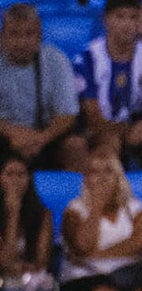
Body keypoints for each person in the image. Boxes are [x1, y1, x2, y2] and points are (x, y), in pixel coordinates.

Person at [60, 151, 142, 291]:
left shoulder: (134, 206)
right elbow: (82, 246)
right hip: (84, 279)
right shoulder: (74, 210)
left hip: (129, 276)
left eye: (108, 171)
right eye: (94, 172)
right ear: (86, 178)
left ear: (118, 176)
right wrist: (97, 206)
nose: (102, 178)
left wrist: (98, 255)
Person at [73, 0, 142, 172]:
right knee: (110, 142)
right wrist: (122, 131)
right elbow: (92, 115)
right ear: (106, 20)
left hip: (136, 131)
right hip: (99, 132)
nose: (127, 24)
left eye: (133, 18)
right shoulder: (87, 58)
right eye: (120, 17)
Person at [0, 4, 87, 172]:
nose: (21, 42)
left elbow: (68, 115)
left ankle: (80, 197)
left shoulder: (56, 60)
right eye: (14, 34)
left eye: (29, 34)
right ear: (2, 37)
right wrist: (12, 133)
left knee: (75, 146)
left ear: (39, 37)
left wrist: (40, 138)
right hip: (4, 136)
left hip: (46, 137)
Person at [0, 153, 54, 291]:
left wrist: (22, 268)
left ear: (29, 179)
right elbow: (6, 261)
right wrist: (13, 213)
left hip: (31, 278)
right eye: (9, 174)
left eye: (21, 174)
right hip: (3, 280)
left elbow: (42, 261)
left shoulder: (42, 214)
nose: (15, 180)